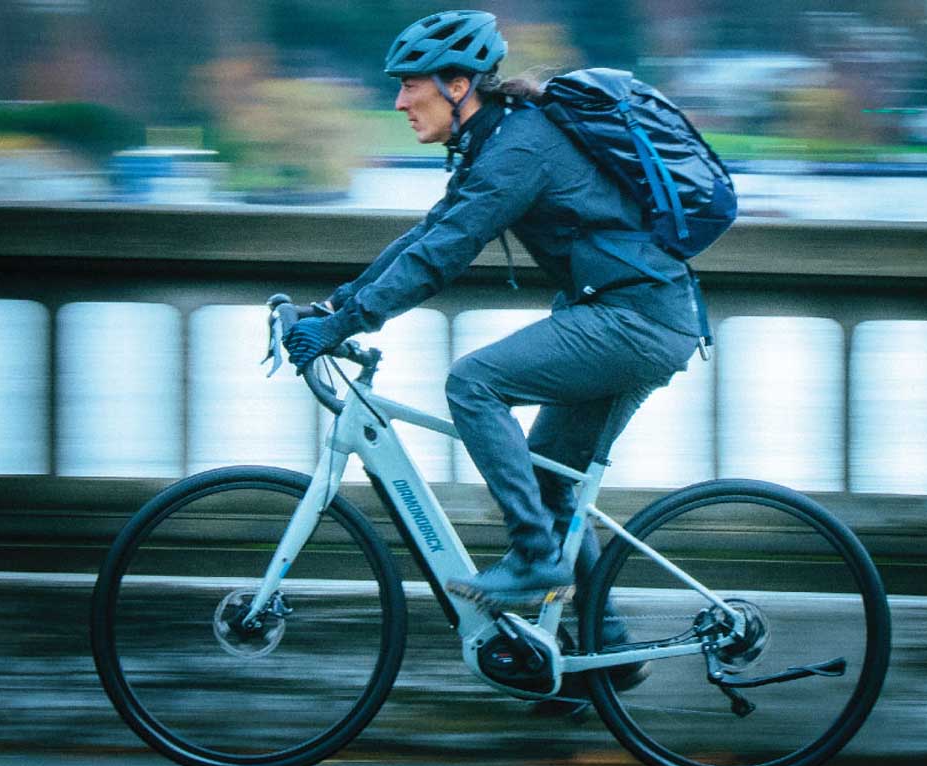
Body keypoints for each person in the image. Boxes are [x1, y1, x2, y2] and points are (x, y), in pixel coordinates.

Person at [284, 10, 701, 618]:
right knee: (552, 479)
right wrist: (333, 308)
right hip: (637, 316)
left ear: (457, 86)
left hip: (633, 322)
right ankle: (605, 650)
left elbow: (441, 257)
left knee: (474, 383)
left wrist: (340, 328)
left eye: (410, 84)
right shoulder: (498, 139)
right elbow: (428, 235)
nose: (400, 101)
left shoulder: (518, 148)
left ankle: (534, 558)